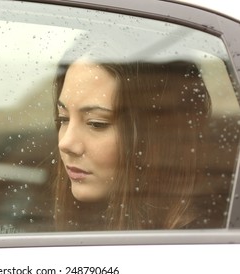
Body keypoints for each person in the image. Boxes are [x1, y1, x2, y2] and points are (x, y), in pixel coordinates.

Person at [52, 57, 215, 231]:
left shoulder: (197, 248)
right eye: (63, 118)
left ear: (157, 135)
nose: (65, 143)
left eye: (96, 123)